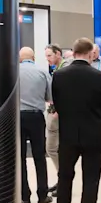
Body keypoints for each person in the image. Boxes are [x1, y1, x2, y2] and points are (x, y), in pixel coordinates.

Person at [44, 38, 101, 203]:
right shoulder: (100, 77)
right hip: (93, 136)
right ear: (91, 53)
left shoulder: (60, 75)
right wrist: (95, 122)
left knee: (65, 177)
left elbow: (58, 104)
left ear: (72, 52)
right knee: (91, 182)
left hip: (69, 136)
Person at [18, 47, 52, 203]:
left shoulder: (13, 71)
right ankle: (43, 195)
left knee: (20, 158)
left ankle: (24, 197)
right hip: (37, 117)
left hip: (17, 118)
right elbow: (50, 98)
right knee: (40, 156)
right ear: (33, 57)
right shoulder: (42, 72)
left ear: (20, 58)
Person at [44, 44, 65, 193]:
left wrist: (58, 109)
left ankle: (63, 180)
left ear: (58, 54)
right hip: (56, 112)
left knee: (52, 148)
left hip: (59, 115)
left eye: (50, 55)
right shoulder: (57, 69)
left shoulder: (63, 70)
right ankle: (62, 179)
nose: (48, 59)